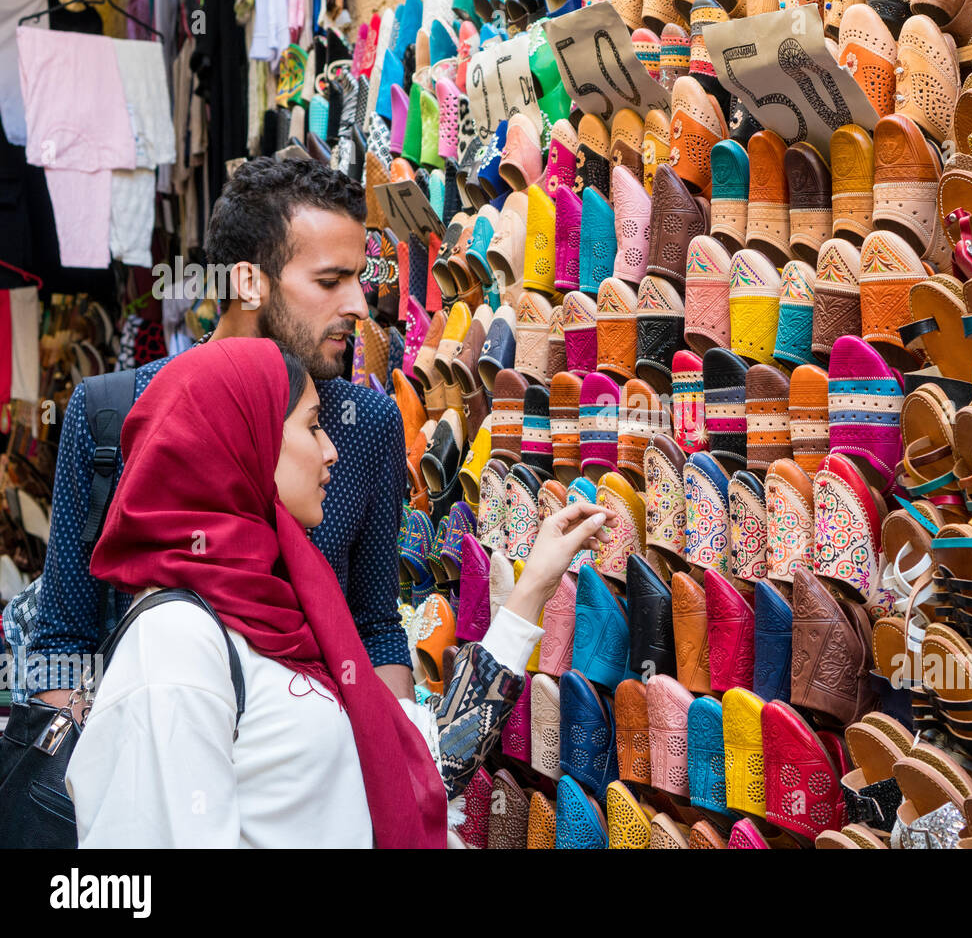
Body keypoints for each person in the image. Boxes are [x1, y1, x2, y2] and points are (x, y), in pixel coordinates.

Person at [67, 339, 614, 847]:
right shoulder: (177, 642)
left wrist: (532, 592)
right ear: (243, 444)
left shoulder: (282, 611)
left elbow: (423, 762)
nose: (331, 451)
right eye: (311, 428)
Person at [18, 157, 414, 712]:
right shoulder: (113, 410)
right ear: (248, 281)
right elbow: (63, 638)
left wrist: (401, 764)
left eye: (358, 278)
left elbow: (374, 626)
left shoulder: (368, 425)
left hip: (315, 773)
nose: (357, 305)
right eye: (331, 280)